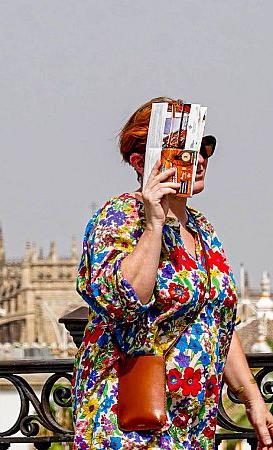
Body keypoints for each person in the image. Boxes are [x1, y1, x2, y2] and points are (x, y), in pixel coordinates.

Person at [72, 97, 273, 449]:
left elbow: (215, 320)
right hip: (129, 426)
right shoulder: (120, 217)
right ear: (140, 162)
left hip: (191, 425)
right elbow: (123, 301)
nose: (199, 161)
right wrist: (153, 224)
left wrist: (251, 394)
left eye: (204, 148)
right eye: (183, 151)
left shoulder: (202, 229)